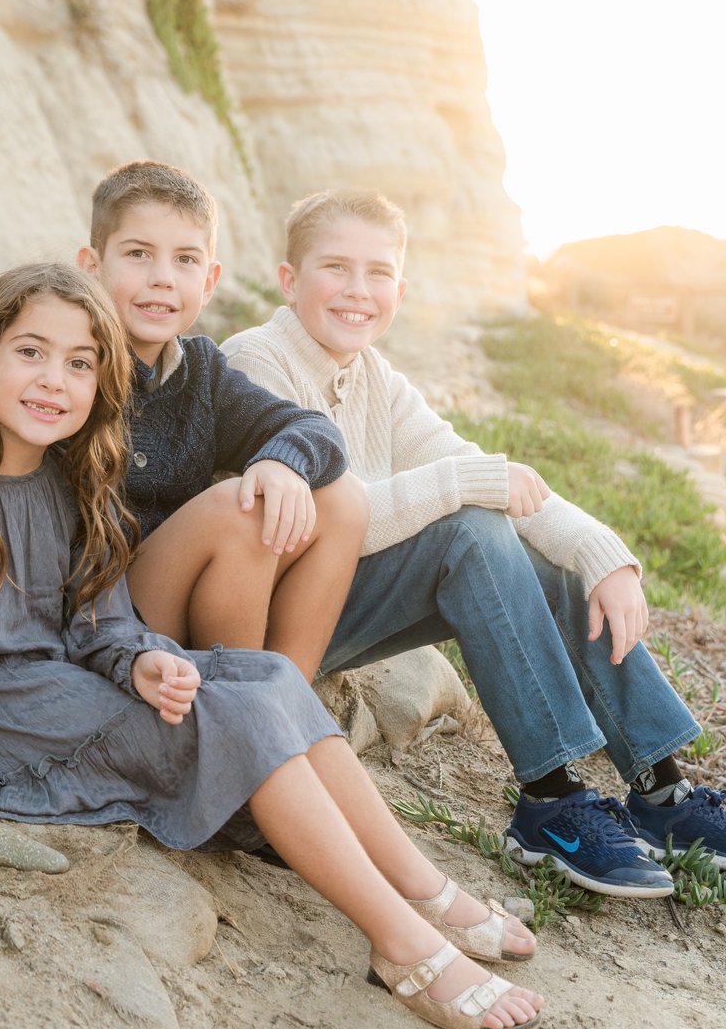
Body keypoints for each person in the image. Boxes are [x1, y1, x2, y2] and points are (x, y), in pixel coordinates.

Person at [0, 261, 544, 1029]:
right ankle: (405, 945)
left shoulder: (71, 482)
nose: (52, 380)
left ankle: (422, 891)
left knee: (264, 675)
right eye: (29, 352)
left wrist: (140, 662)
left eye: (80, 362)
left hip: (63, 689)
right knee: (230, 718)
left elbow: (99, 621)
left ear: (101, 382)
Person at [220, 190, 726, 897]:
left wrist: (603, 554)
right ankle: (550, 800)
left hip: (345, 600)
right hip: (276, 616)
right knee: (471, 528)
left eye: (378, 272)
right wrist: (468, 481)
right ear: (289, 278)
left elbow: (475, 468)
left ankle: (661, 791)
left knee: (549, 556)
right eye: (336, 267)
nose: (358, 290)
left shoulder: (376, 378)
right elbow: (332, 517)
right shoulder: (254, 360)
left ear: (400, 286)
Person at [0, 161, 368, 681]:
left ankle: (289, 688)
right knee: (241, 510)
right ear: (91, 265)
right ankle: (240, 699)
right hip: (95, 613)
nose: (162, 279)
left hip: (177, 594)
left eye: (186, 259)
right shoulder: (66, 366)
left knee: (344, 499)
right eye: (138, 254)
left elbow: (313, 429)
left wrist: (282, 462)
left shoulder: (203, 373)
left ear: (210, 281)